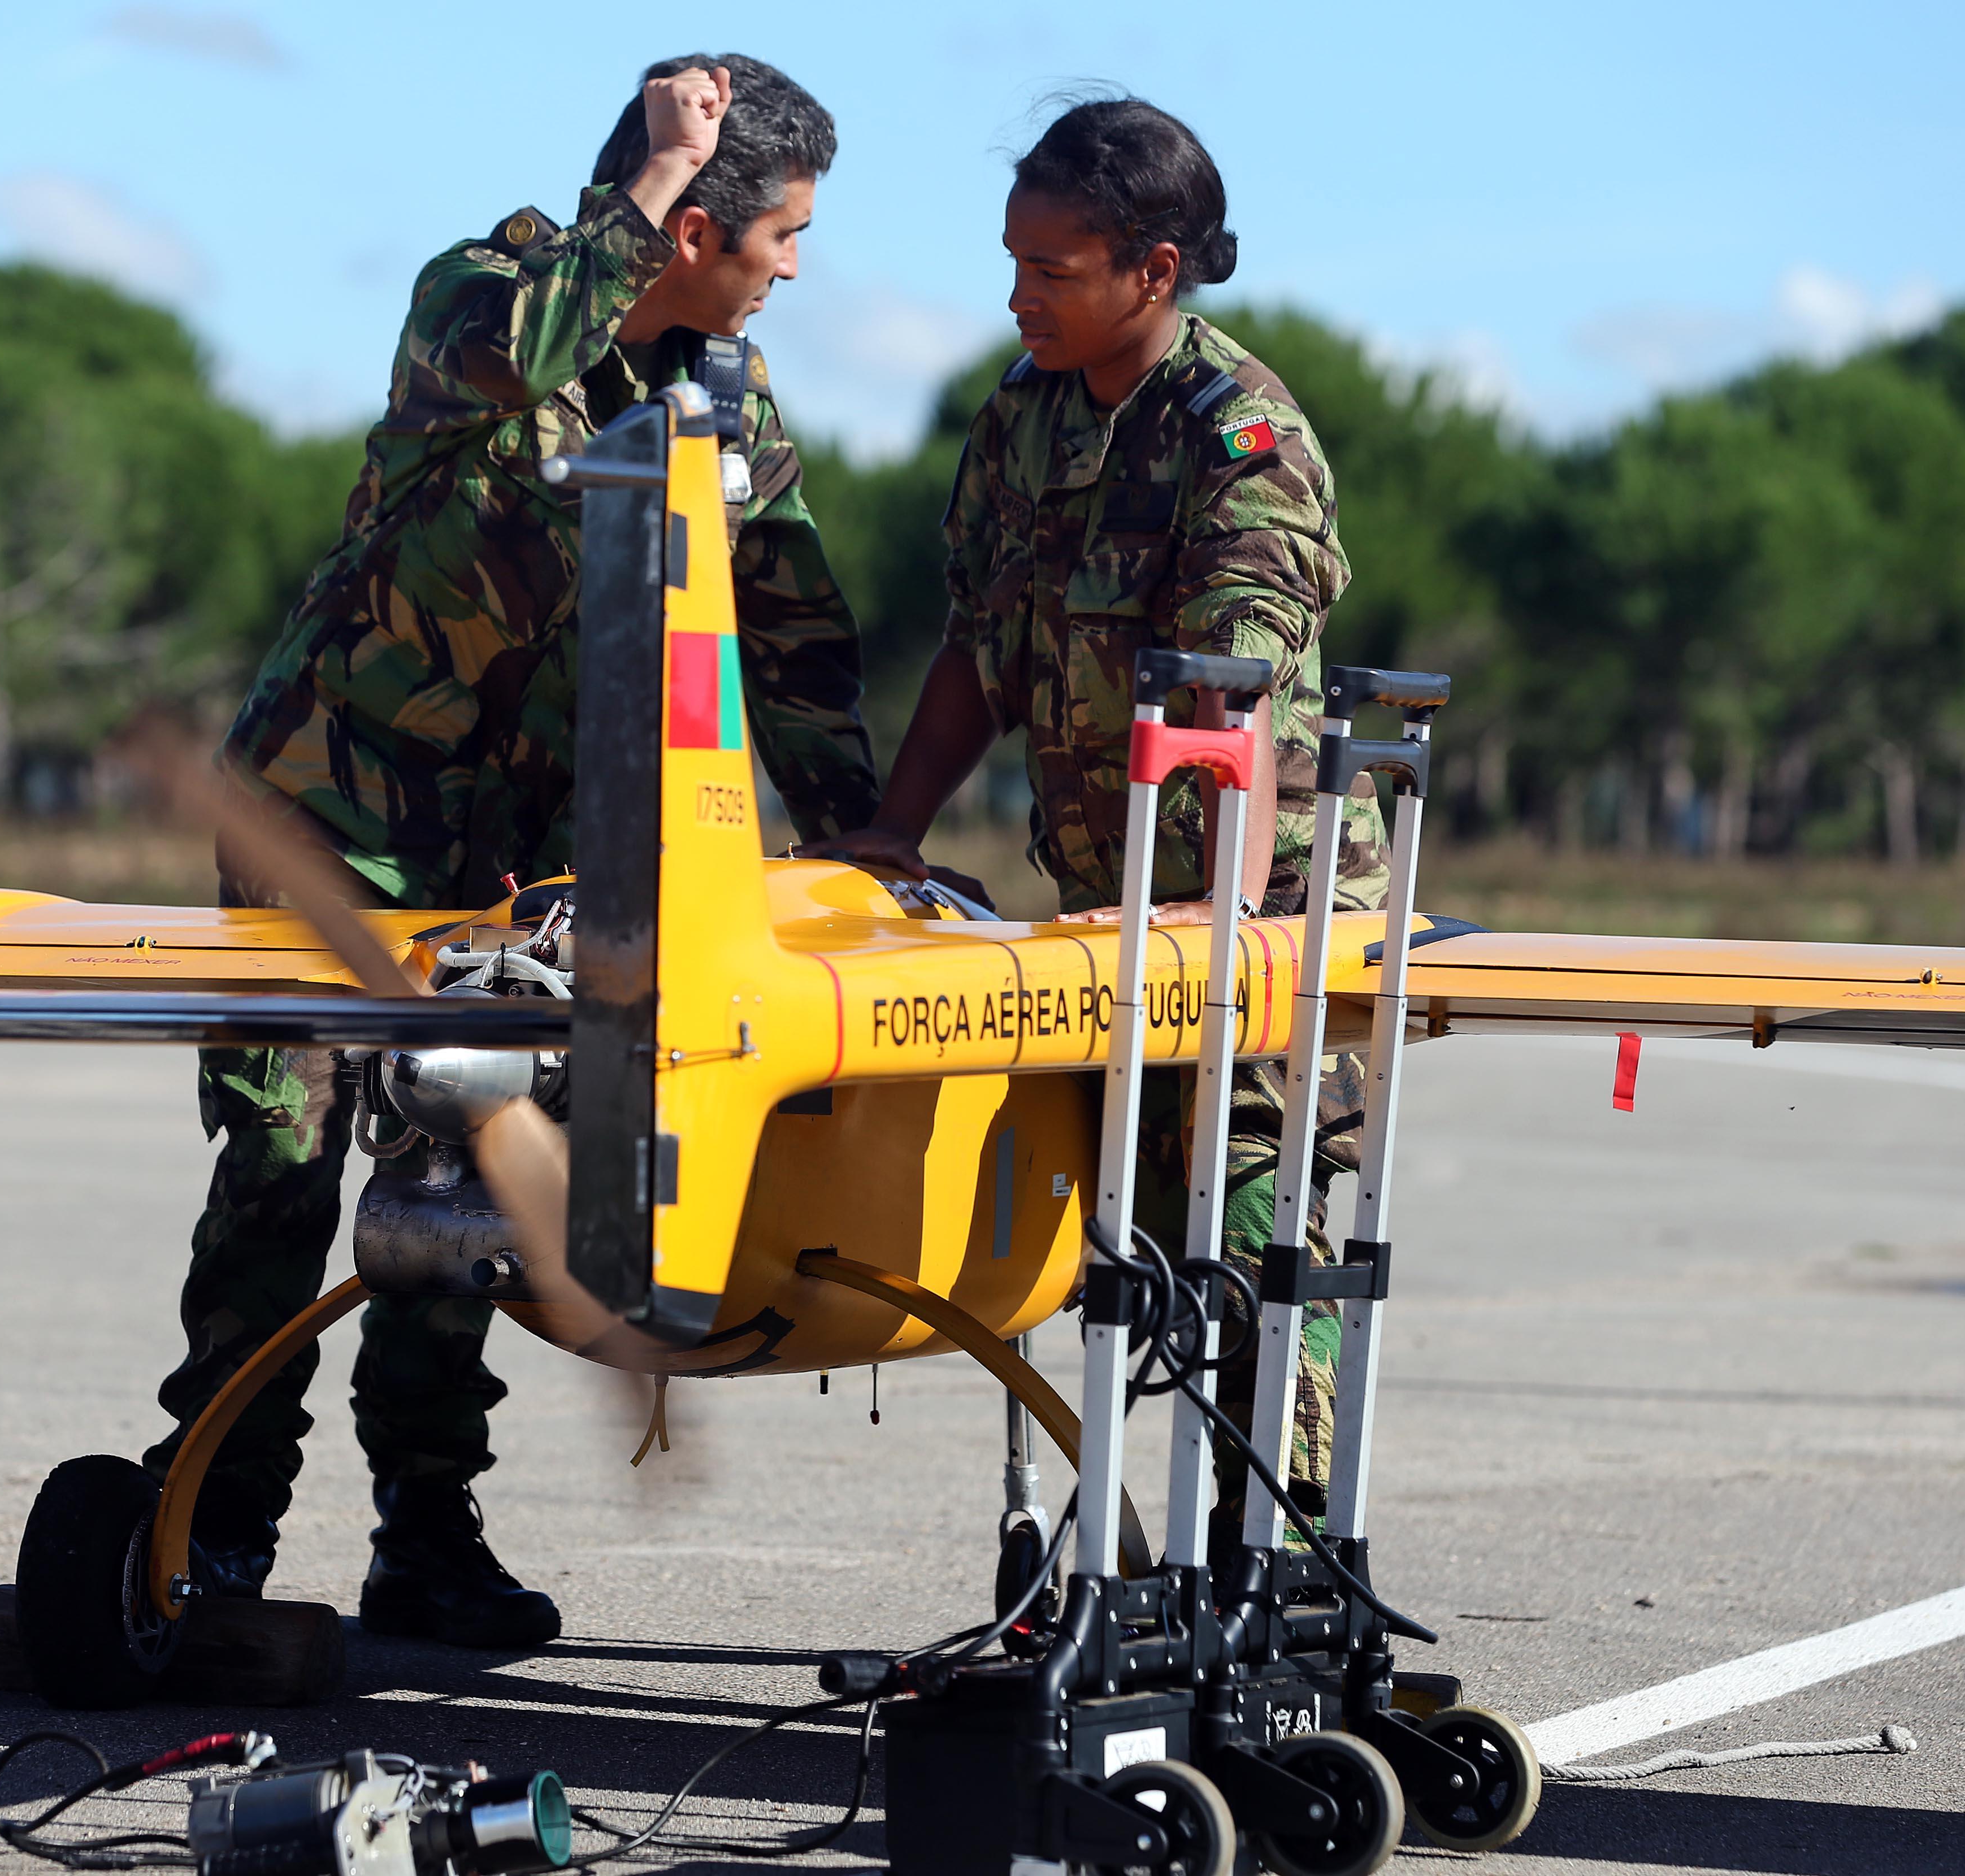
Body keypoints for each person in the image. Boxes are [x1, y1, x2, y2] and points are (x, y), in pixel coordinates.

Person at [148, 54, 882, 1649]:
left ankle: (425, 1537)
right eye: (780, 233)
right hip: (331, 824)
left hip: (523, 865)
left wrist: (863, 844)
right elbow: (534, 340)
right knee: (281, 1183)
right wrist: (656, 178)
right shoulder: (482, 300)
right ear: (690, 228)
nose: (795, 268)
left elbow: (792, 627)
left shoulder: (726, 400)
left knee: (460, 1194)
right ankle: (205, 1535)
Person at [806, 98, 1387, 1541]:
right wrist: (890, 829)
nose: (1020, 298)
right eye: (1014, 265)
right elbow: (978, 646)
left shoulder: (1243, 436)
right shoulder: (1024, 416)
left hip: (1261, 905)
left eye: (1054, 271)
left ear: (1156, 266)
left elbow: (1234, 690)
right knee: (1116, 1222)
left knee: (1243, 1213)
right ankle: (1130, 1542)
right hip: (1110, 902)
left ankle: (1281, 1547)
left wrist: (1232, 914)